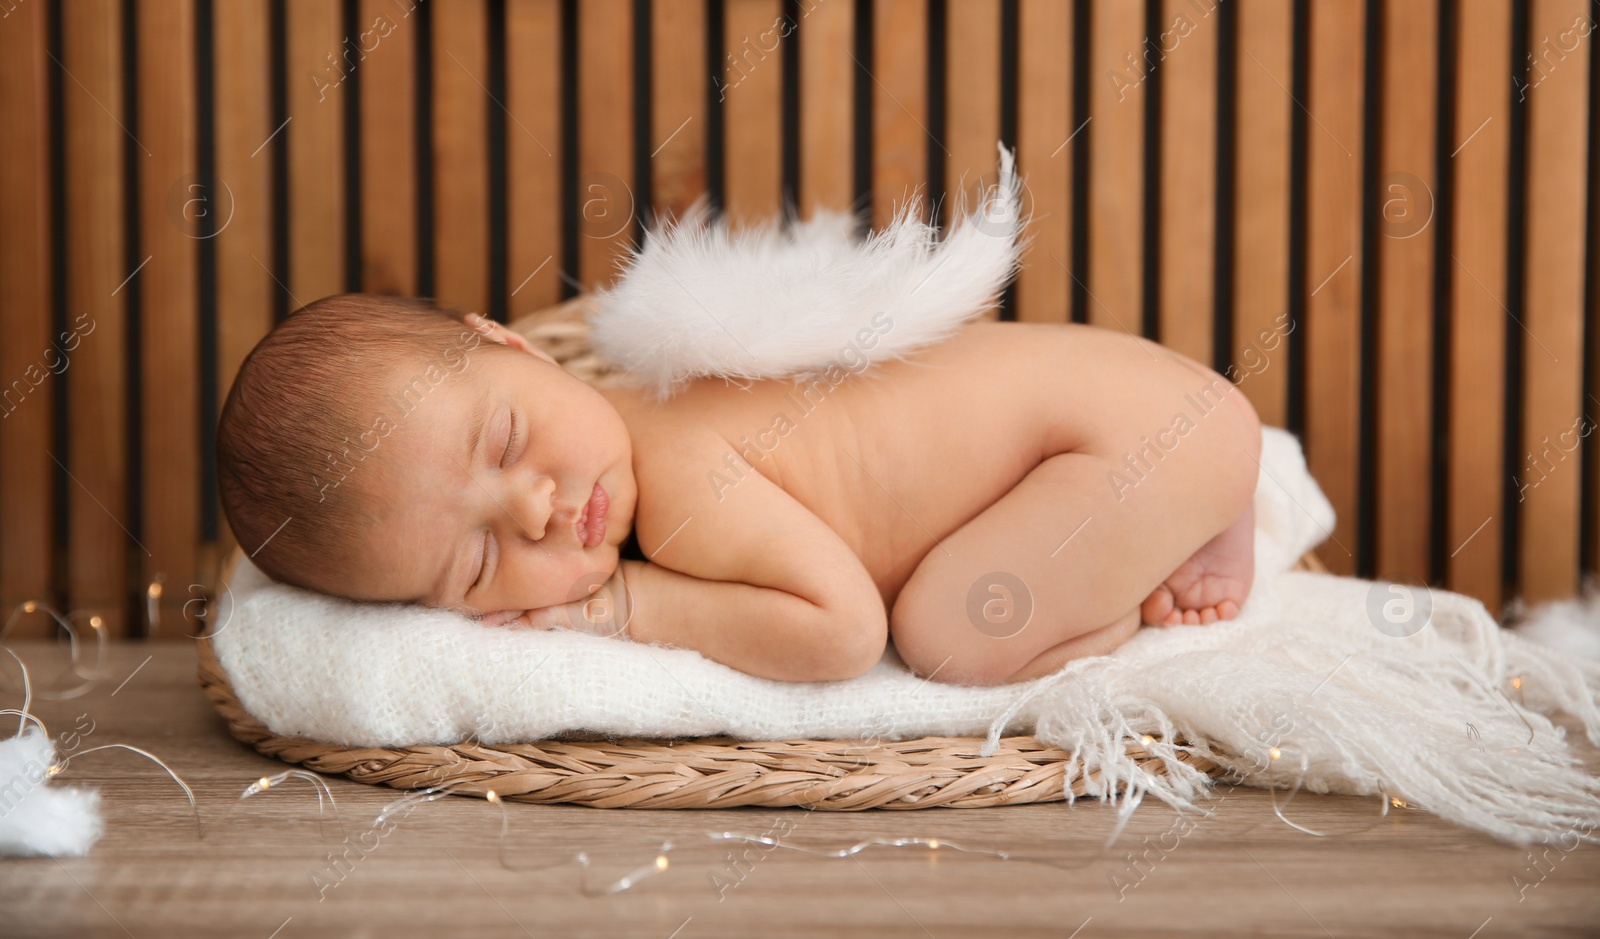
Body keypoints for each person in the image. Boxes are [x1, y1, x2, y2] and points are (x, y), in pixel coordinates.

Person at [216, 293, 1260, 687]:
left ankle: (1170, 539)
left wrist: (625, 607)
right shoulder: (637, 402)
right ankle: (1195, 502)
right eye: (481, 557)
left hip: (1127, 438)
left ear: (513, 342)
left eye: (506, 438)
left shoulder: (677, 482)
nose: (534, 507)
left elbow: (842, 628)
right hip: (1146, 404)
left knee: (953, 632)